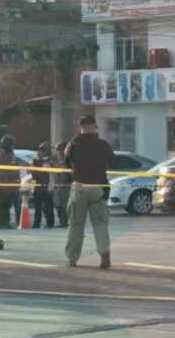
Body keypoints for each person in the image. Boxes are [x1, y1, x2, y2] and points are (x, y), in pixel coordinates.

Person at [64, 115, 116, 268]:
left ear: (80, 128)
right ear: (95, 127)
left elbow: (66, 163)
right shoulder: (102, 144)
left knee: (75, 223)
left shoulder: (72, 145)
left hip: (78, 186)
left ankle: (72, 259)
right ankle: (104, 253)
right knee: (100, 223)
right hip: (98, 187)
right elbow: (114, 162)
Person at [0, 135, 20, 229]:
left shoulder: (12, 154)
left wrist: (18, 180)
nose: (13, 146)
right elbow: (0, 171)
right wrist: (5, 184)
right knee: (4, 203)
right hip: (5, 184)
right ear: (6, 144)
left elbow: (16, 168)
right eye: (11, 144)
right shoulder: (1, 155)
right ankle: (2, 222)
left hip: (13, 183)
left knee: (15, 202)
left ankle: (19, 221)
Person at [31, 142, 55, 229]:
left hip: (46, 189)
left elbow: (51, 176)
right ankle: (36, 223)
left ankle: (50, 223)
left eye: (42, 151)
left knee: (48, 207)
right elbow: (33, 174)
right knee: (38, 208)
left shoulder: (48, 162)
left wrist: (50, 188)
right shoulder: (35, 161)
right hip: (37, 188)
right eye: (39, 150)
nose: (39, 152)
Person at [53, 140, 71, 228]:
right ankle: (62, 221)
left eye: (59, 149)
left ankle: (67, 222)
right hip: (59, 185)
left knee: (65, 205)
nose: (58, 151)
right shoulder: (58, 159)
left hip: (67, 185)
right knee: (58, 204)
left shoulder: (69, 159)